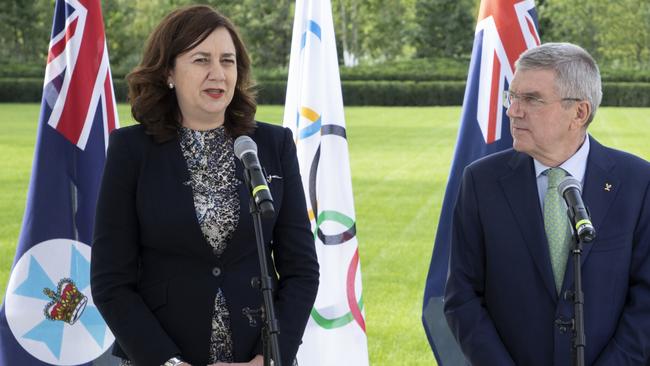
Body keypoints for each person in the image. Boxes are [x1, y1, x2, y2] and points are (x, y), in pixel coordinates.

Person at [90, 5, 319, 366]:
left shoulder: (273, 145)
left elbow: (301, 271)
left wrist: (268, 359)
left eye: (227, 61)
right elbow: (110, 282)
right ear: (168, 72)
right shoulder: (130, 151)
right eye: (201, 60)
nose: (218, 73)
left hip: (256, 355)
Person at [444, 42, 650, 365]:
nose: (513, 110)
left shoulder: (638, 183)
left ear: (579, 112)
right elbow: (462, 297)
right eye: (512, 97)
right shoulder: (481, 182)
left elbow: (646, 300)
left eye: (531, 99)